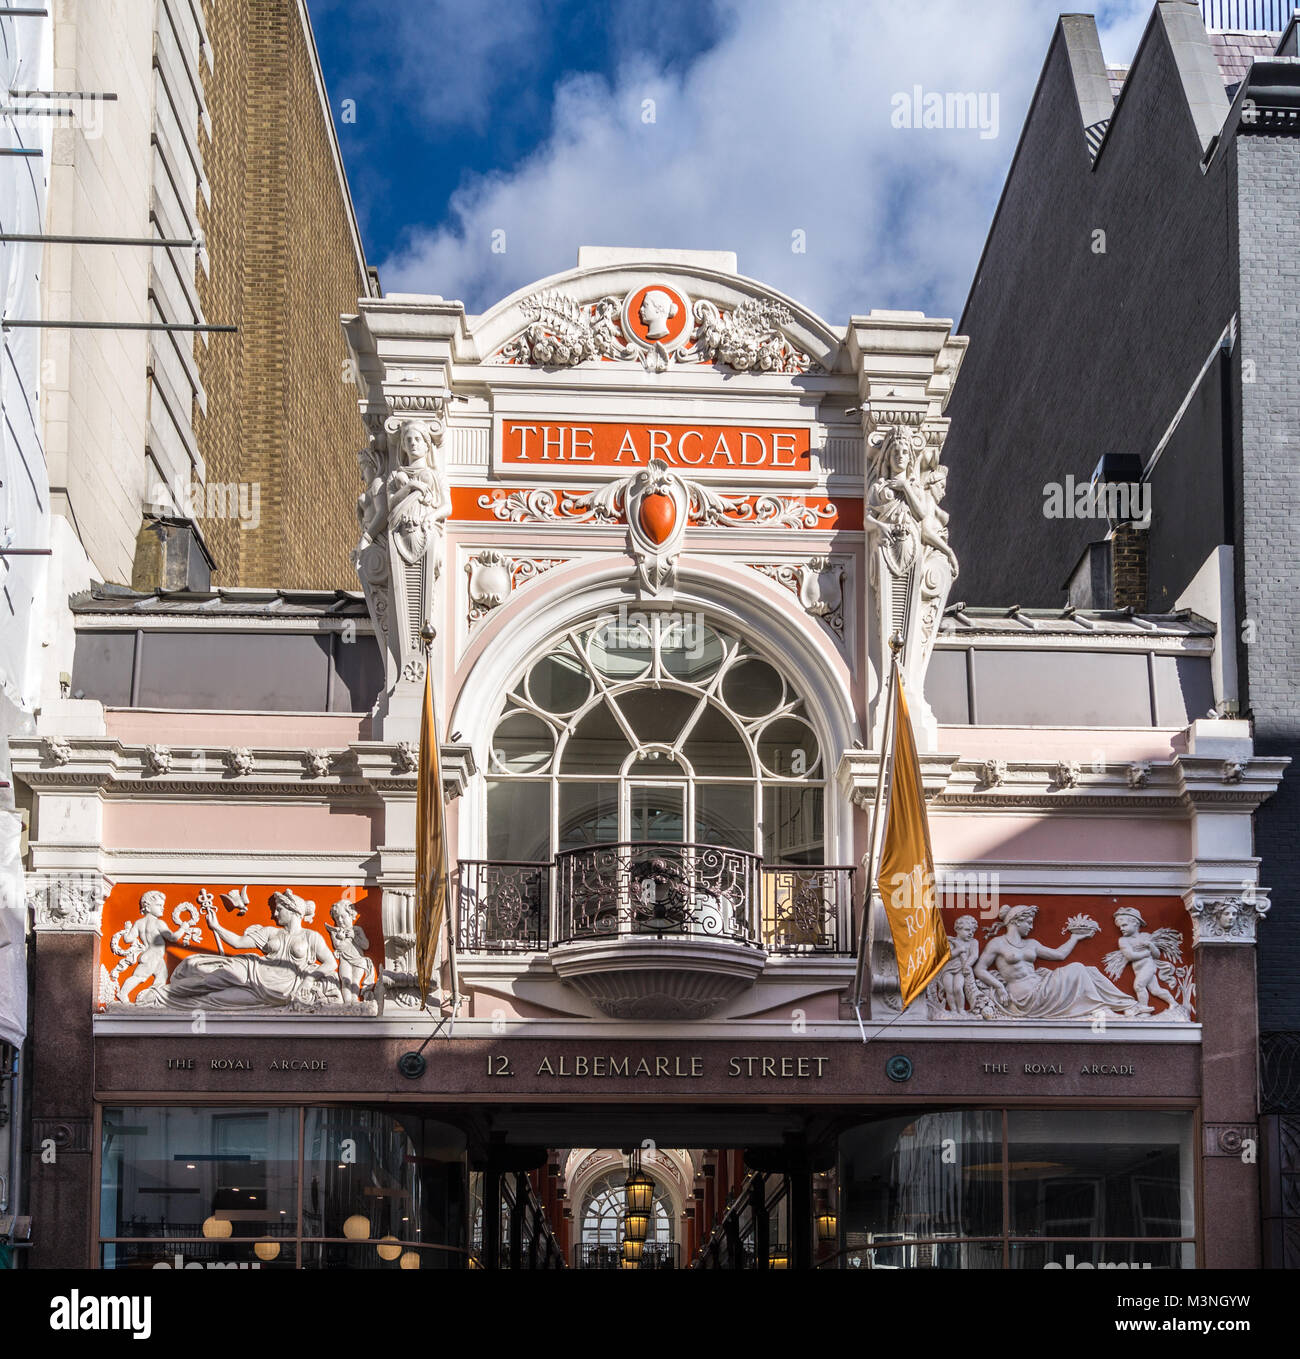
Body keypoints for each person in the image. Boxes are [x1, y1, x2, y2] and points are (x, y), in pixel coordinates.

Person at [166, 889, 340, 1009]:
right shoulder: (271, 932)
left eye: (279, 910)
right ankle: (163, 994)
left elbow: (330, 963)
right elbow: (238, 943)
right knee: (210, 981)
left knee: (215, 999)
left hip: (281, 989)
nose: (275, 915)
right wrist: (217, 927)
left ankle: (172, 1002)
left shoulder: (312, 936)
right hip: (252, 970)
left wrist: (309, 979)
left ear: (293, 910)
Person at [974, 904, 1151, 1020]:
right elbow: (980, 969)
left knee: (1091, 971)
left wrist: (1075, 937)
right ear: (1015, 921)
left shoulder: (1032, 944)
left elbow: (1059, 955)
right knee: (1077, 968)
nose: (1032, 926)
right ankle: (1098, 1008)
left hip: (1042, 987)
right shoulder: (997, 943)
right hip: (1024, 997)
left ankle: (1126, 1005)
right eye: (1028, 922)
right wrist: (998, 986)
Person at [112, 890, 201, 1004]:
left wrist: (127, 928)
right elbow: (173, 938)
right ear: (148, 907)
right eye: (159, 905)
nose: (162, 908)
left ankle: (153, 999)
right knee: (139, 976)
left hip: (155, 957)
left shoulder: (139, 923)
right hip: (153, 956)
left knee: (161, 979)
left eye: (162, 905)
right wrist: (183, 928)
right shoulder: (159, 923)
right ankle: (123, 993)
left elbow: (127, 939)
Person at [1103, 908, 1186, 1016]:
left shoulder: (1146, 936)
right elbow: (1130, 956)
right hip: (1138, 968)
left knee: (1138, 986)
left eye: (1124, 925)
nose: (1121, 929)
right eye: (1120, 927)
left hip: (1148, 965)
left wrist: (1151, 946)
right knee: (1156, 990)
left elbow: (1156, 955)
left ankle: (1144, 1009)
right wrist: (1146, 953)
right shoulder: (1123, 940)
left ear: (1135, 923)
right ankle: (1173, 1003)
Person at [328, 899, 376, 1003]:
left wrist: (354, 936)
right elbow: (337, 946)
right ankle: (347, 1003)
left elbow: (366, 945)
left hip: (358, 959)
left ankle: (354, 1002)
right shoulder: (336, 931)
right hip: (344, 959)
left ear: (350, 915)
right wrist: (339, 937)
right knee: (345, 980)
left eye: (343, 916)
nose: (340, 920)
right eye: (337, 918)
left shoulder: (357, 930)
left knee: (355, 981)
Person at [937, 914, 979, 1013]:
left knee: (958, 988)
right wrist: (959, 949)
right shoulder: (950, 941)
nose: (971, 933)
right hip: (947, 969)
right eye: (967, 930)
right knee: (949, 990)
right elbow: (948, 956)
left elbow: (974, 955)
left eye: (973, 931)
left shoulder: (973, 942)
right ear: (958, 929)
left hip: (961, 969)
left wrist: (967, 965)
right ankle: (953, 1010)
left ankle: (961, 1009)